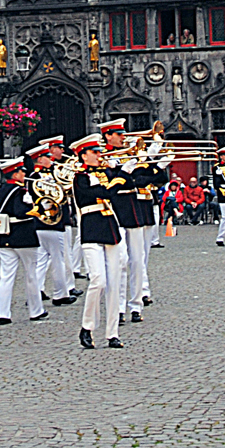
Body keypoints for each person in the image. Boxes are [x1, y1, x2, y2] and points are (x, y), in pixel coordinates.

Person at [71, 132, 131, 349]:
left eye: (99, 152)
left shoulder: (105, 172)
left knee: (114, 281)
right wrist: (120, 175)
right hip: (91, 227)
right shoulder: (80, 178)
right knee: (98, 280)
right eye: (94, 152)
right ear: (83, 155)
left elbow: (125, 186)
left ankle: (112, 333)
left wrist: (126, 168)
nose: (99, 155)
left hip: (110, 226)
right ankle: (87, 327)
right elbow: (103, 193)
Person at [104, 118, 164, 322]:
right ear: (108, 136)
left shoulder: (130, 153)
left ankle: (136, 305)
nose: (124, 137)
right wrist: (119, 170)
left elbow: (148, 176)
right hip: (116, 208)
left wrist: (154, 155)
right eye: (119, 134)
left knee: (138, 260)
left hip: (133, 208)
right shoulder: (102, 156)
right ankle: (119, 307)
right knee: (120, 262)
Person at [0, 157, 47, 325]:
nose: (24, 174)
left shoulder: (4, 189)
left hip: (6, 235)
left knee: (6, 276)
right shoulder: (19, 191)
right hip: (23, 236)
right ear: (15, 174)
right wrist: (39, 208)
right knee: (31, 275)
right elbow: (21, 212)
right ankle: (36, 310)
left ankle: (3, 313)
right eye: (21, 171)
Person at [27, 144, 78, 307]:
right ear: (40, 159)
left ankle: (36, 291)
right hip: (52, 220)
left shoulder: (48, 174)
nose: (51, 159)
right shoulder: (36, 177)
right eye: (47, 157)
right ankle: (60, 294)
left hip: (44, 222)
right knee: (58, 259)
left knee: (42, 259)